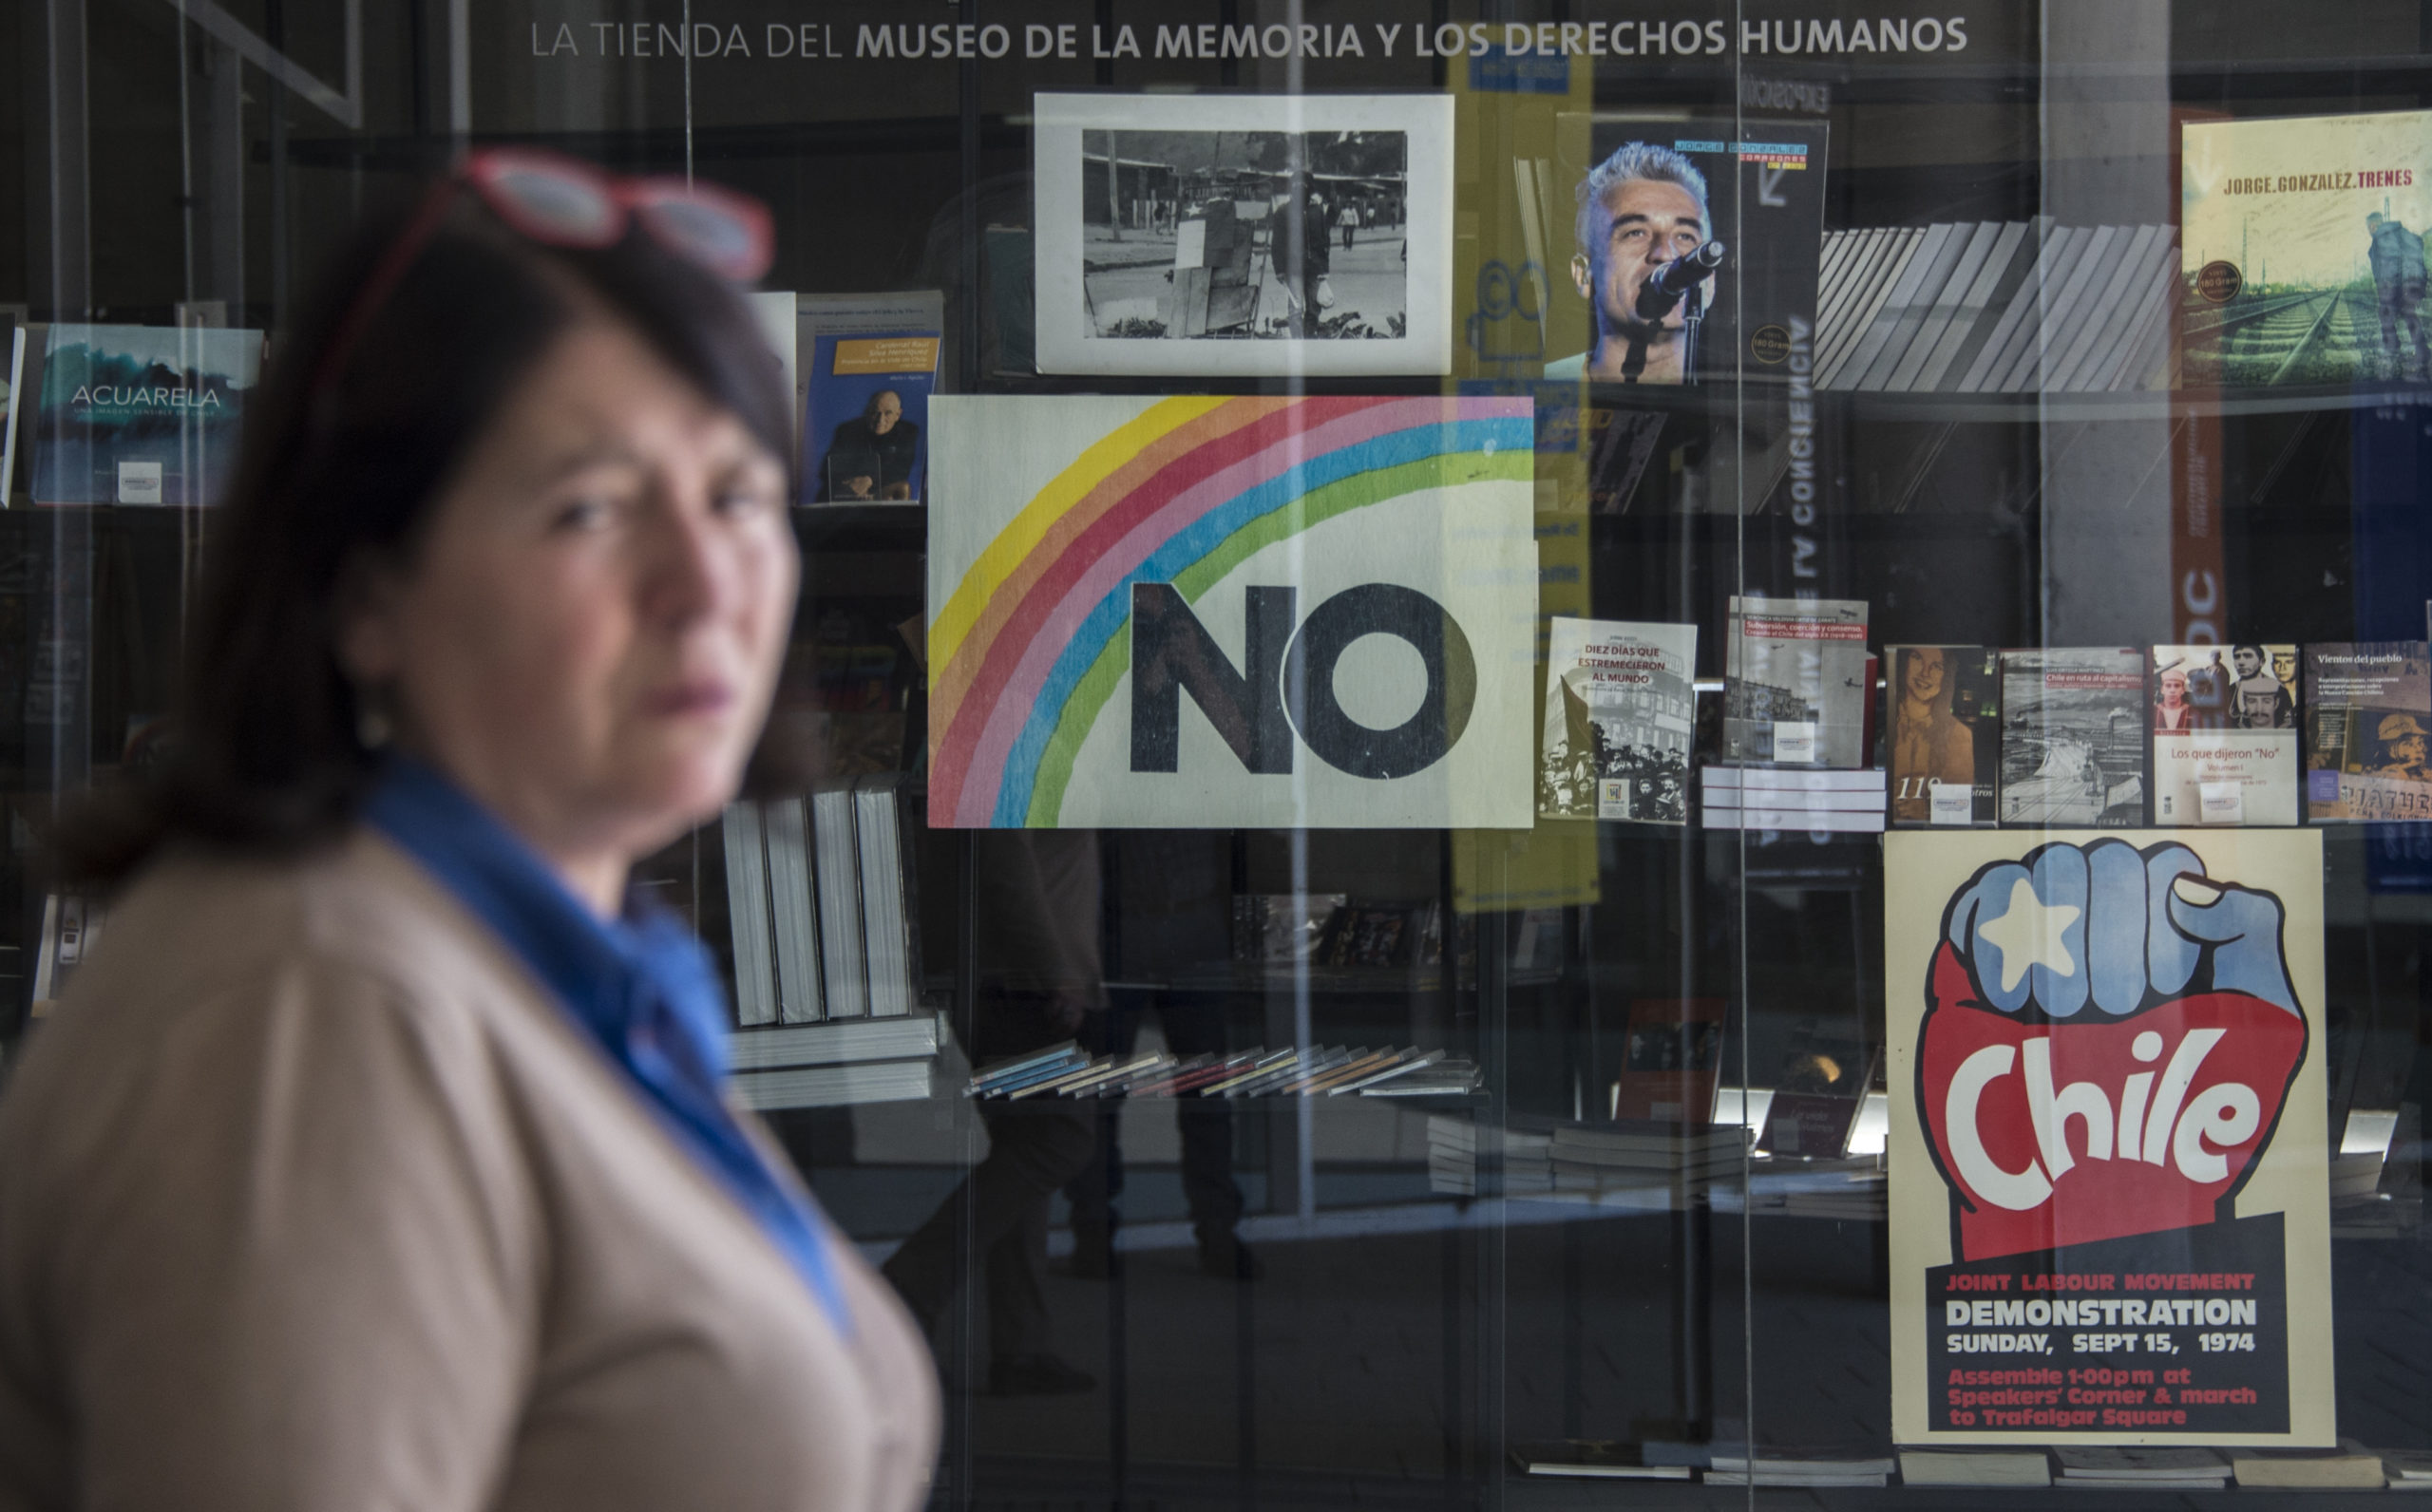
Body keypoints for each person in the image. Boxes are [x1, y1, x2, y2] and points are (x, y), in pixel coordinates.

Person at [0, 150, 938, 1510]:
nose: (702, 582)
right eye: (591, 509)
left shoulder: (563, 956)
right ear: (364, 591)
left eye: (737, 495)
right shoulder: (319, 1010)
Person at [883, 830, 1106, 1395]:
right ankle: (906, 1290)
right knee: (1059, 1140)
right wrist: (1054, 972)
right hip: (1017, 979)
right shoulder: (1002, 767)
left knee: (1027, 1149)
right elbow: (1003, 863)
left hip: (1011, 973)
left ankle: (1022, 1347)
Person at [1548, 142, 1713, 383]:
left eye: (1685, 236)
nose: (1666, 254)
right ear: (1584, 276)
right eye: (1636, 232)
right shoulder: (1535, 389)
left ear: (1709, 283)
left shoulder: (1736, 392)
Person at [1891, 648, 1975, 822]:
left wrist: (1926, 810)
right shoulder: (1885, 723)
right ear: (1904, 662)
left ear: (1947, 676)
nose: (1925, 672)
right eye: (1917, 658)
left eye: (1937, 666)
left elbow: (1959, 808)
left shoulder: (1959, 734)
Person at [820, 388, 921, 501]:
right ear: (868, 412)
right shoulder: (847, 430)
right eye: (875, 412)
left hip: (880, 490)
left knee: (903, 488)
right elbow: (827, 470)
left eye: (888, 413)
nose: (880, 419)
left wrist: (869, 480)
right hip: (850, 489)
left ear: (898, 414)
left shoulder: (908, 432)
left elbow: (901, 472)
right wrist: (854, 483)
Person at [2366, 210, 2431, 381]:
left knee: (2385, 314)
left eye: (2369, 227)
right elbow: (2418, 243)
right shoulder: (2400, 232)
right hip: (2413, 281)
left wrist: (2386, 287)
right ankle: (2423, 352)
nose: (2369, 230)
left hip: (2396, 284)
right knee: (2410, 315)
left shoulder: (2381, 238)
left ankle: (2393, 350)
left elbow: (2388, 264)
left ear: (2373, 226)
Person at [2230, 643, 2294, 728]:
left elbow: (2287, 725)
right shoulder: (2229, 690)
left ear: (2262, 662)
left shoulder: (2278, 689)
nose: (2241, 662)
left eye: (2248, 656)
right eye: (2237, 657)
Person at [2374, 713, 2430, 780]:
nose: (2419, 749)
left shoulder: (2426, 773)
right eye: (2408, 744)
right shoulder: (2382, 774)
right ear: (2389, 748)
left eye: (2420, 742)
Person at [2155, 667, 2195, 732]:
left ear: (2183, 690)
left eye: (2177, 686)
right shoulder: (2153, 712)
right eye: (2168, 686)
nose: (2172, 690)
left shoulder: (2193, 712)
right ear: (2162, 690)